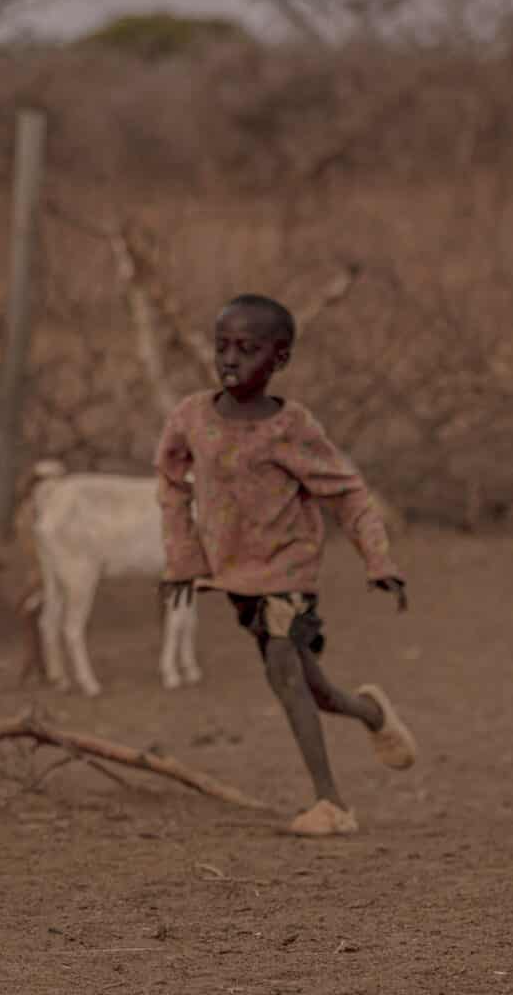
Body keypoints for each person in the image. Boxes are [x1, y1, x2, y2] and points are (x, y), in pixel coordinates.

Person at [157, 293, 418, 836]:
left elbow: (347, 492)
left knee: (283, 672)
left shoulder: (291, 428)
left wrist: (378, 559)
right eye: (222, 347)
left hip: (289, 568)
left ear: (279, 360)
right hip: (234, 573)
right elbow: (170, 483)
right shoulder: (190, 418)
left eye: (247, 350)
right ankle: (372, 713)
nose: (230, 359)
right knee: (313, 689)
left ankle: (331, 804)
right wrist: (183, 558)